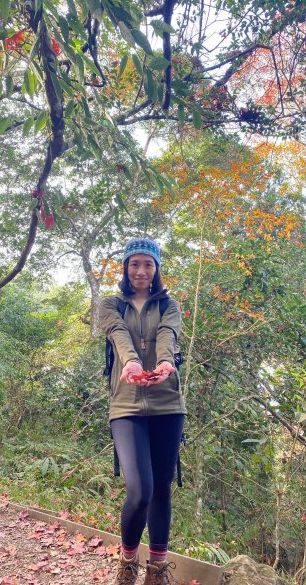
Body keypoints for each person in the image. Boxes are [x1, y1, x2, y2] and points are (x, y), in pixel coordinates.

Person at [99, 238, 186, 585]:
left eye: (148, 264)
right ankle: (128, 562)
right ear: (125, 266)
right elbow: (118, 334)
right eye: (134, 263)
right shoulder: (111, 304)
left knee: (162, 487)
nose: (141, 270)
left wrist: (165, 361)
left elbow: (168, 334)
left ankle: (157, 570)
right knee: (140, 490)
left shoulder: (169, 303)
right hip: (126, 405)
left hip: (167, 404)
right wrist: (133, 363)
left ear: (156, 268)